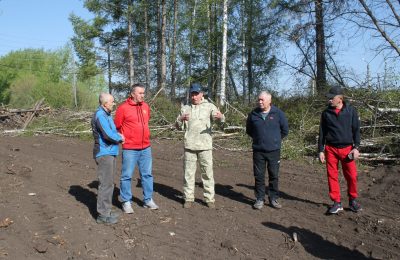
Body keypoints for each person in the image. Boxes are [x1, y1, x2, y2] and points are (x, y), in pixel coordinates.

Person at [176, 83, 225, 209]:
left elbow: (220, 120)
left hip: (205, 146)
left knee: (208, 174)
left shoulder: (209, 106)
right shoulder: (185, 108)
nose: (194, 96)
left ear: (201, 94)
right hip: (189, 146)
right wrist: (180, 119)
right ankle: (188, 198)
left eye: (196, 94)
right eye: (192, 94)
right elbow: (177, 126)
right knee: (188, 174)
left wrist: (221, 117)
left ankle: (209, 199)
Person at [114, 83, 159, 213]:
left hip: (146, 147)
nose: (142, 95)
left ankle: (148, 200)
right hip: (130, 148)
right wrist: (123, 137)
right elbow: (117, 126)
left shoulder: (145, 106)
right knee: (126, 175)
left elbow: (146, 121)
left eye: (143, 93)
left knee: (147, 175)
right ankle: (126, 202)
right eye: (140, 93)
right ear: (132, 94)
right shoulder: (123, 108)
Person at [318, 85, 362, 214]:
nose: (329, 100)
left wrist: (356, 147)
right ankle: (336, 202)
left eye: (332, 98)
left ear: (340, 99)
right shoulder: (326, 113)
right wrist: (321, 150)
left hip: (347, 149)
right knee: (332, 176)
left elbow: (356, 130)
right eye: (328, 98)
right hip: (330, 149)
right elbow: (322, 132)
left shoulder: (351, 111)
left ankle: (353, 200)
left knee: (352, 176)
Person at [246, 91, 289, 210]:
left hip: (274, 151)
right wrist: (259, 140)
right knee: (259, 175)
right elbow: (249, 130)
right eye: (258, 99)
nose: (259, 102)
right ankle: (259, 198)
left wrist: (274, 140)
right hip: (258, 150)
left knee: (274, 175)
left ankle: (273, 198)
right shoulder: (253, 114)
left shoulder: (278, 113)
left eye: (262, 100)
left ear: (269, 101)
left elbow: (285, 130)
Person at [91, 93, 124, 224]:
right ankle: (102, 215)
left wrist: (117, 135)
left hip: (110, 152)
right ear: (105, 104)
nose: (114, 104)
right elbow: (107, 135)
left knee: (109, 183)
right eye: (112, 102)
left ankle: (107, 210)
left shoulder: (106, 114)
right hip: (104, 154)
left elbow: (112, 131)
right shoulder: (100, 115)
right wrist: (120, 137)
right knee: (105, 184)